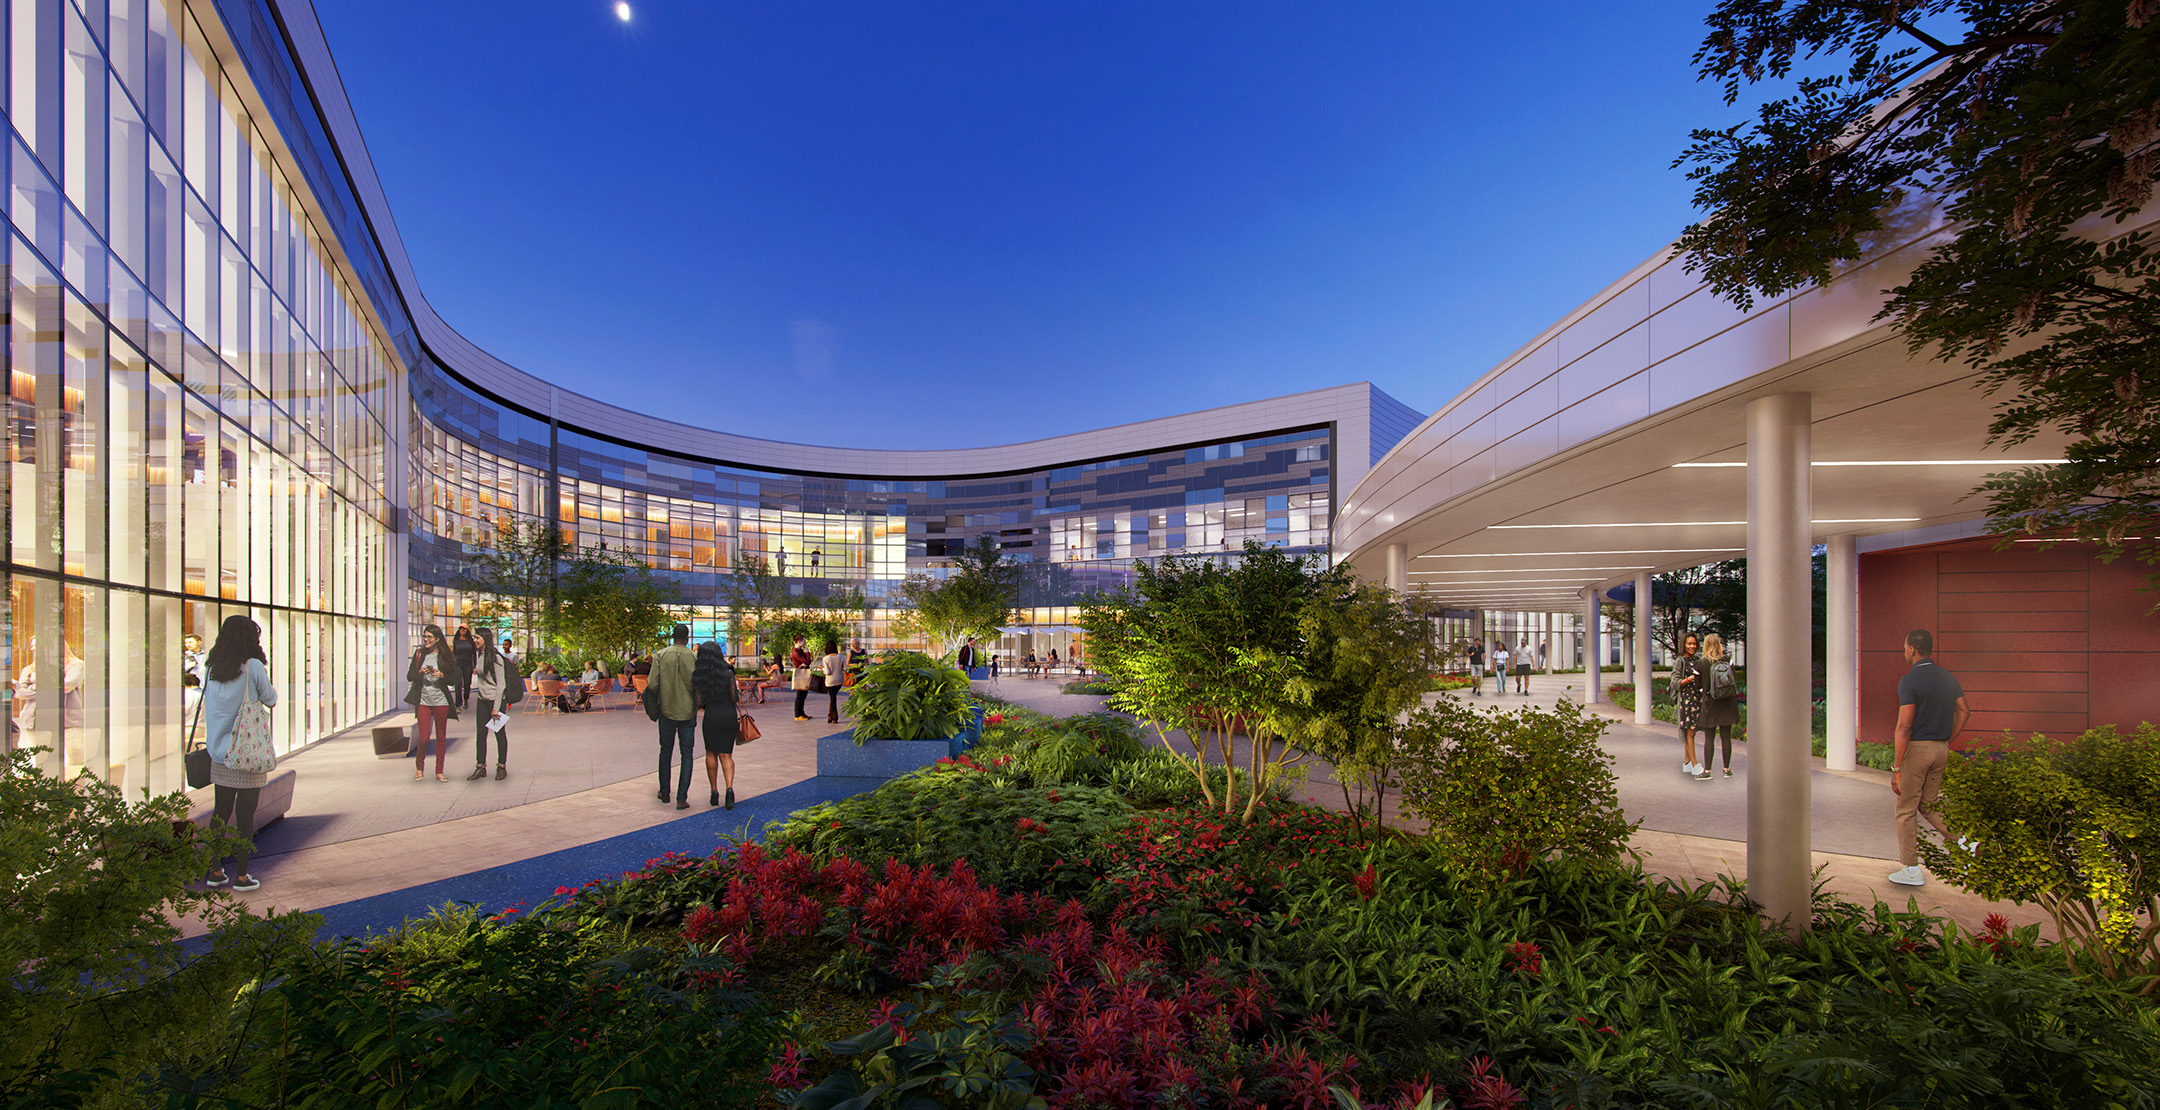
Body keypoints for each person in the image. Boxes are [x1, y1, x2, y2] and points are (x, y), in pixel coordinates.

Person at [201, 615, 277, 892]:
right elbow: (270, 699)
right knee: (245, 816)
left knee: (220, 812)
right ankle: (242, 877)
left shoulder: (212, 668)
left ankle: (215, 872)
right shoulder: (252, 666)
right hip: (246, 753)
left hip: (219, 753)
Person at [1888, 628, 1968, 887]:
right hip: (1941, 749)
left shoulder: (1909, 681)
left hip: (1919, 750)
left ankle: (1911, 869)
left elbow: (1904, 726)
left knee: (1905, 810)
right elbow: (1964, 711)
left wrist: (1897, 767)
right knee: (1929, 804)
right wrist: (1946, 740)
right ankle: (1968, 843)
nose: (1904, 651)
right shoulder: (1947, 678)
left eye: (1904, 647)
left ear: (1912, 648)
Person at [465, 626, 526, 781]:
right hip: (482, 700)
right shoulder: (480, 655)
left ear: (485, 638)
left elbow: (501, 685)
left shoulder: (496, 658)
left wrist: (496, 708)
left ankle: (501, 767)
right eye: (474, 638)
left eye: (477, 638)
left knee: (499, 734)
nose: (474, 640)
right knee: (481, 735)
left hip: (495, 701)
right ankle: (480, 767)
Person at [651, 624, 698, 809]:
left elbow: (652, 684)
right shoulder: (693, 657)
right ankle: (681, 798)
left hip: (666, 710)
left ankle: (664, 792)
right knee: (687, 754)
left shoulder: (660, 655)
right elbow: (698, 684)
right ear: (687, 638)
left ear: (673, 637)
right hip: (688, 711)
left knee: (666, 751)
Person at [403, 624, 459, 781]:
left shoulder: (445, 655)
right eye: (424, 636)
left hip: (441, 701)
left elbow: (453, 680)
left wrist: (442, 675)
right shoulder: (419, 654)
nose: (426, 640)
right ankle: (419, 768)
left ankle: (439, 771)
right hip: (423, 701)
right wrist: (420, 673)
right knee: (424, 737)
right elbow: (410, 676)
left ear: (437, 639)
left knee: (441, 737)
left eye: (429, 637)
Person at [694, 640, 741, 808]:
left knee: (711, 754)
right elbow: (735, 697)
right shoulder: (728, 673)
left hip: (711, 716)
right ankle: (729, 788)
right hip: (728, 715)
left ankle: (714, 791)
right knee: (726, 755)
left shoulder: (701, 677)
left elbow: (699, 702)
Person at [1698, 634, 1740, 780]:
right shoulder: (1729, 661)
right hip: (1727, 703)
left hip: (1710, 704)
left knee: (1709, 738)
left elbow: (1698, 686)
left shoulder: (1701, 663)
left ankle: (1708, 771)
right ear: (1719, 645)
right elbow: (1733, 681)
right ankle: (1727, 769)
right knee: (1726, 736)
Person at [1672, 634, 1706, 777]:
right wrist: (1690, 679)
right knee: (1690, 732)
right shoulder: (1680, 661)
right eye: (1689, 644)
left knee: (1691, 732)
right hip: (1686, 701)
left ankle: (1687, 763)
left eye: (1694, 644)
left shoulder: (1698, 660)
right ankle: (1695, 764)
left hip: (1697, 700)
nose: (1692, 646)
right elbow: (1674, 683)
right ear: (1683, 645)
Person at [790, 635, 814, 721]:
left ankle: (801, 713)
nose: (805, 643)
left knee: (803, 694)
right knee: (800, 695)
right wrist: (807, 653)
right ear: (799, 642)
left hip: (804, 673)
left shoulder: (800, 651)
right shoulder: (796, 652)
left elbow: (808, 661)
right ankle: (797, 714)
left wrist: (807, 658)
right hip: (801, 674)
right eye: (804, 641)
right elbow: (807, 661)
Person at [451, 626, 477, 706]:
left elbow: (474, 654)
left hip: (468, 665)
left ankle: (466, 699)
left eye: (464, 629)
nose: (462, 630)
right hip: (458, 665)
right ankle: (458, 704)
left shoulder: (470, 642)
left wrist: (474, 667)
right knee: (458, 684)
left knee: (467, 684)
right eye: (461, 629)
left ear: (467, 630)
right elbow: (454, 654)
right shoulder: (456, 641)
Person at [820, 638, 844, 724]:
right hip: (840, 679)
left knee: (833, 698)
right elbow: (845, 668)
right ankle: (830, 716)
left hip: (830, 680)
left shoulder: (826, 658)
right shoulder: (841, 656)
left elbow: (827, 672)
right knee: (833, 697)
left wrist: (822, 668)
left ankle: (834, 717)